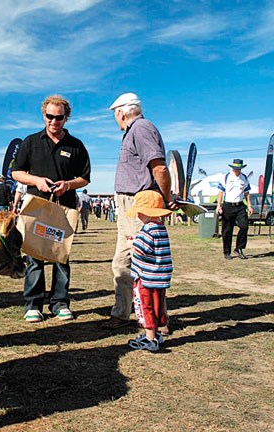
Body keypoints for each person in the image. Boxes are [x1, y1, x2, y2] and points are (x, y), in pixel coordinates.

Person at [101, 92, 177, 330]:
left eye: (115, 114)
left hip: (139, 202)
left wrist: (165, 198)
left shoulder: (141, 128)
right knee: (122, 261)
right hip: (129, 203)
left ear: (121, 112)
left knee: (145, 260)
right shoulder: (134, 130)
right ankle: (122, 312)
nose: (116, 118)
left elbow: (160, 168)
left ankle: (158, 320)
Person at [12, 94, 91, 323]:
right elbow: (16, 172)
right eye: (49, 117)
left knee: (61, 256)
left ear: (66, 118)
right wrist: (36, 181)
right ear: (43, 115)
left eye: (59, 117)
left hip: (64, 208)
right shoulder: (31, 141)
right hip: (36, 206)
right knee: (35, 255)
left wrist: (68, 185)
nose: (54, 122)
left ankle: (60, 302)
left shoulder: (76, 146)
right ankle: (33, 304)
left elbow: (84, 178)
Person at [125, 190, 173, 352]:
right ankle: (157, 334)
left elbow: (141, 250)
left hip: (146, 277)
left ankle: (150, 338)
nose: (138, 216)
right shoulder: (160, 228)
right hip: (159, 277)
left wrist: (132, 244)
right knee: (158, 306)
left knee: (146, 307)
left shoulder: (148, 229)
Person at [216, 159, 253, 259]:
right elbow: (220, 192)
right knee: (227, 230)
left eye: (239, 169)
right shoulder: (226, 177)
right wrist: (219, 205)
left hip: (240, 206)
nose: (237, 171)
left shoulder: (244, 178)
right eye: (235, 169)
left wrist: (249, 205)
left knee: (244, 226)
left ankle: (239, 248)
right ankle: (226, 252)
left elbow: (247, 193)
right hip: (228, 205)